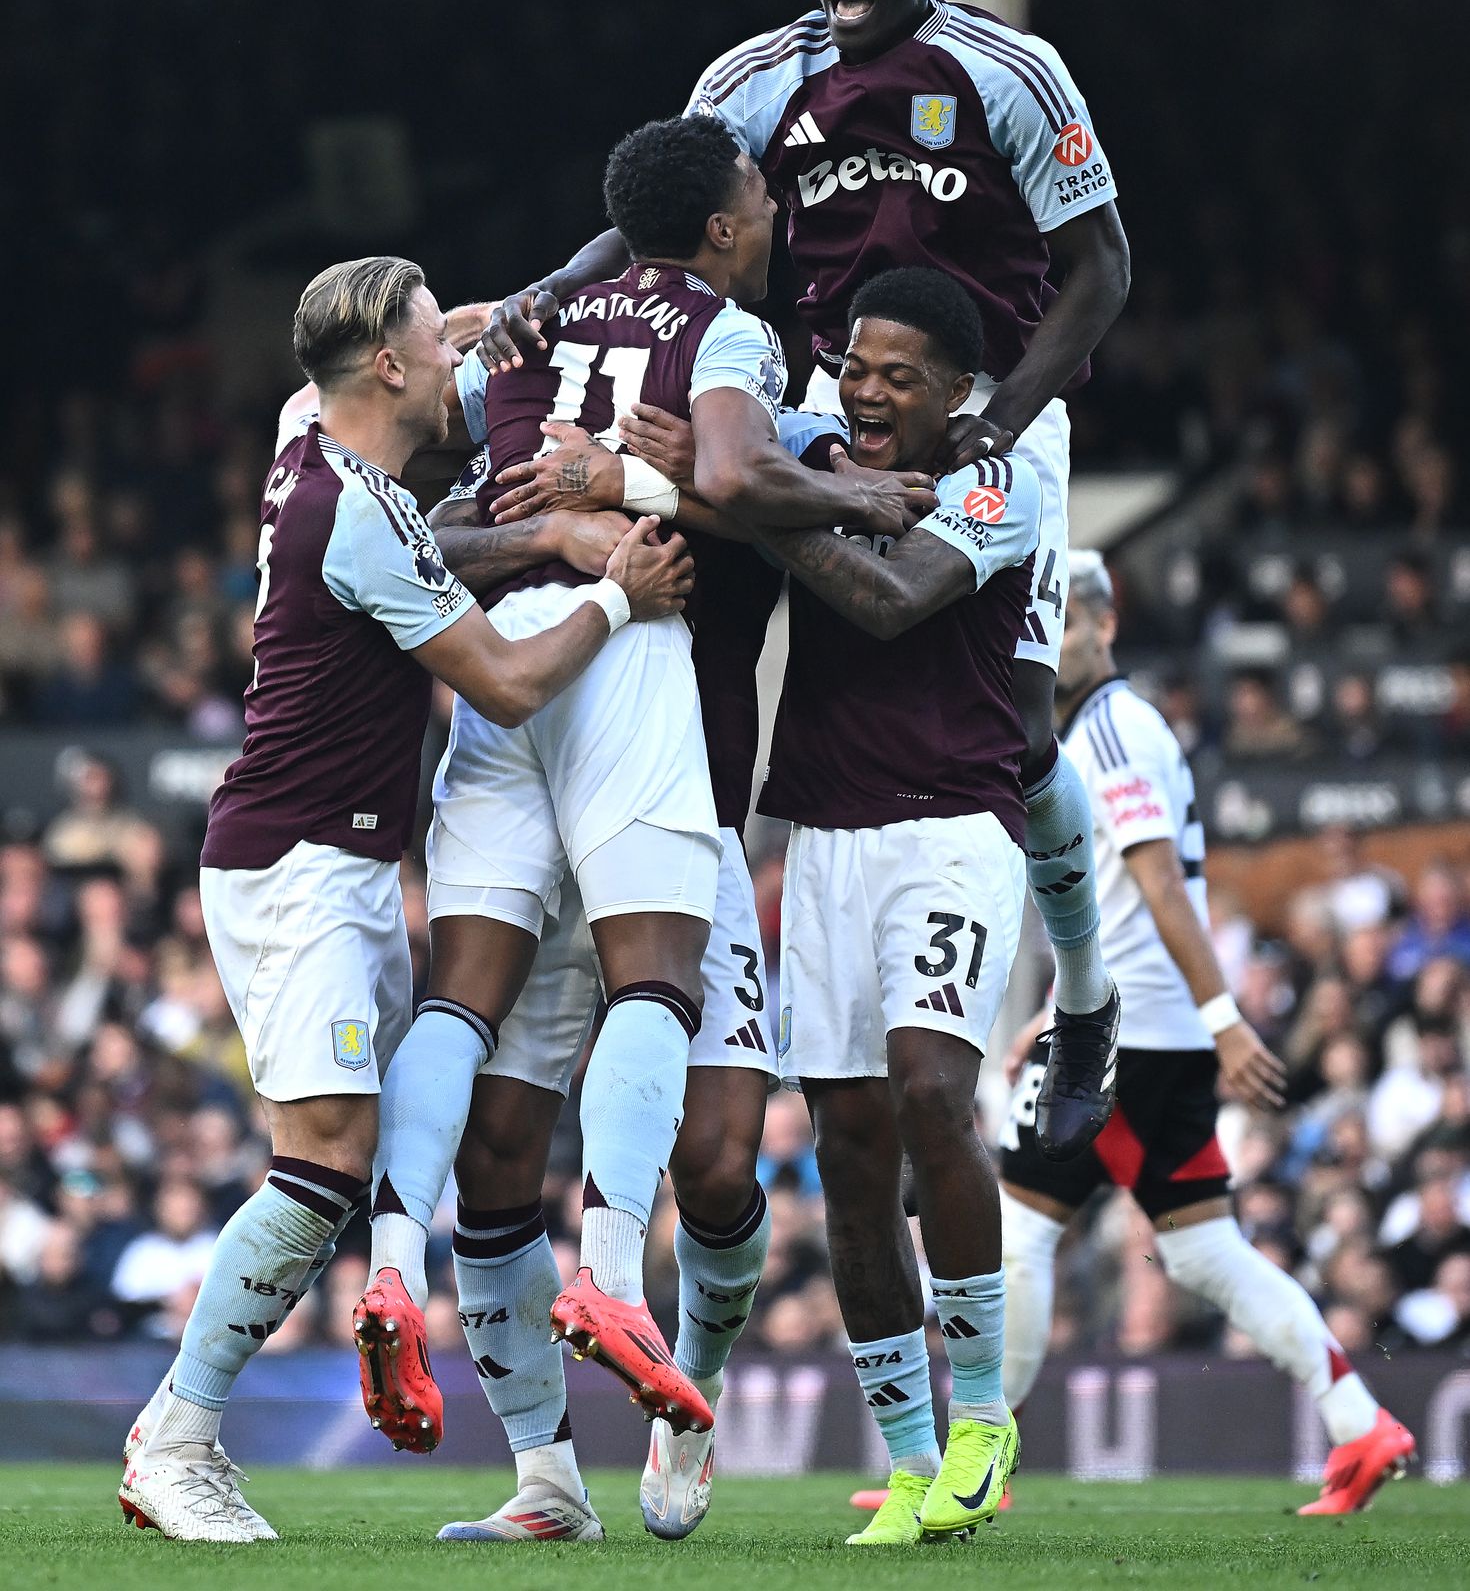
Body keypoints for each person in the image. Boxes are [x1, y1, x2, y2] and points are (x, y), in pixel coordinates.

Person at [482, 0, 1132, 1162]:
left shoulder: (1010, 74)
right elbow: (661, 198)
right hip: (822, 406)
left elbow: (1101, 266)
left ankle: (1084, 1001)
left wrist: (998, 422)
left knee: (1011, 727)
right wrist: (554, 283)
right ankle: (670, 899)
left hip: (987, 408)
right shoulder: (752, 78)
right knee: (691, 544)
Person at [357, 115, 936, 1537]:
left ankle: (667, 1374)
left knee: (720, 1159)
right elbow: (750, 487)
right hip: (638, 742)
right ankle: (551, 1463)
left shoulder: (521, 346)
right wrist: (663, 501)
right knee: (546, 1107)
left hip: (576, 734)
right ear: (731, 223)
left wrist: (621, 489)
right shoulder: (722, 341)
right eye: (757, 197)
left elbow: (720, 491)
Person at [118, 255, 690, 1543]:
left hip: (345, 859)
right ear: (385, 366)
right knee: (322, 1162)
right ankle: (177, 1433)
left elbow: (446, 339)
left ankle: (545, 1483)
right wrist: (615, 591)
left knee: (377, 1159)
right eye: (440, 345)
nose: (461, 364)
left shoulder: (300, 435)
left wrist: (513, 307)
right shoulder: (357, 514)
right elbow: (501, 681)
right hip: (299, 865)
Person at [998, 551, 1417, 1519]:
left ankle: (978, 1453)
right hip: (1143, 1022)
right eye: (1040, 628)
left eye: (1066, 624)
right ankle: (1361, 1425)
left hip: (1128, 1035)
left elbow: (1157, 886)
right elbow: (1125, 904)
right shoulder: (1119, 728)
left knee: (1018, 1235)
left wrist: (1225, 1018)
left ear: (1105, 623)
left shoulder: (1108, 735)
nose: (1050, 647)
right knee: (1199, 1250)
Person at [742, 268, 1039, 1544]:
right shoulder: (813, 457)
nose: (864, 391)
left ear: (958, 393)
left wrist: (748, 506)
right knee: (849, 1149)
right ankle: (908, 1460)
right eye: (855, 366)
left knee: (929, 1093)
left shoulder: (996, 482)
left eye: (898, 374)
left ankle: (982, 1416)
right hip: (826, 839)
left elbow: (888, 598)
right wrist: (777, 483)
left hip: (953, 829)